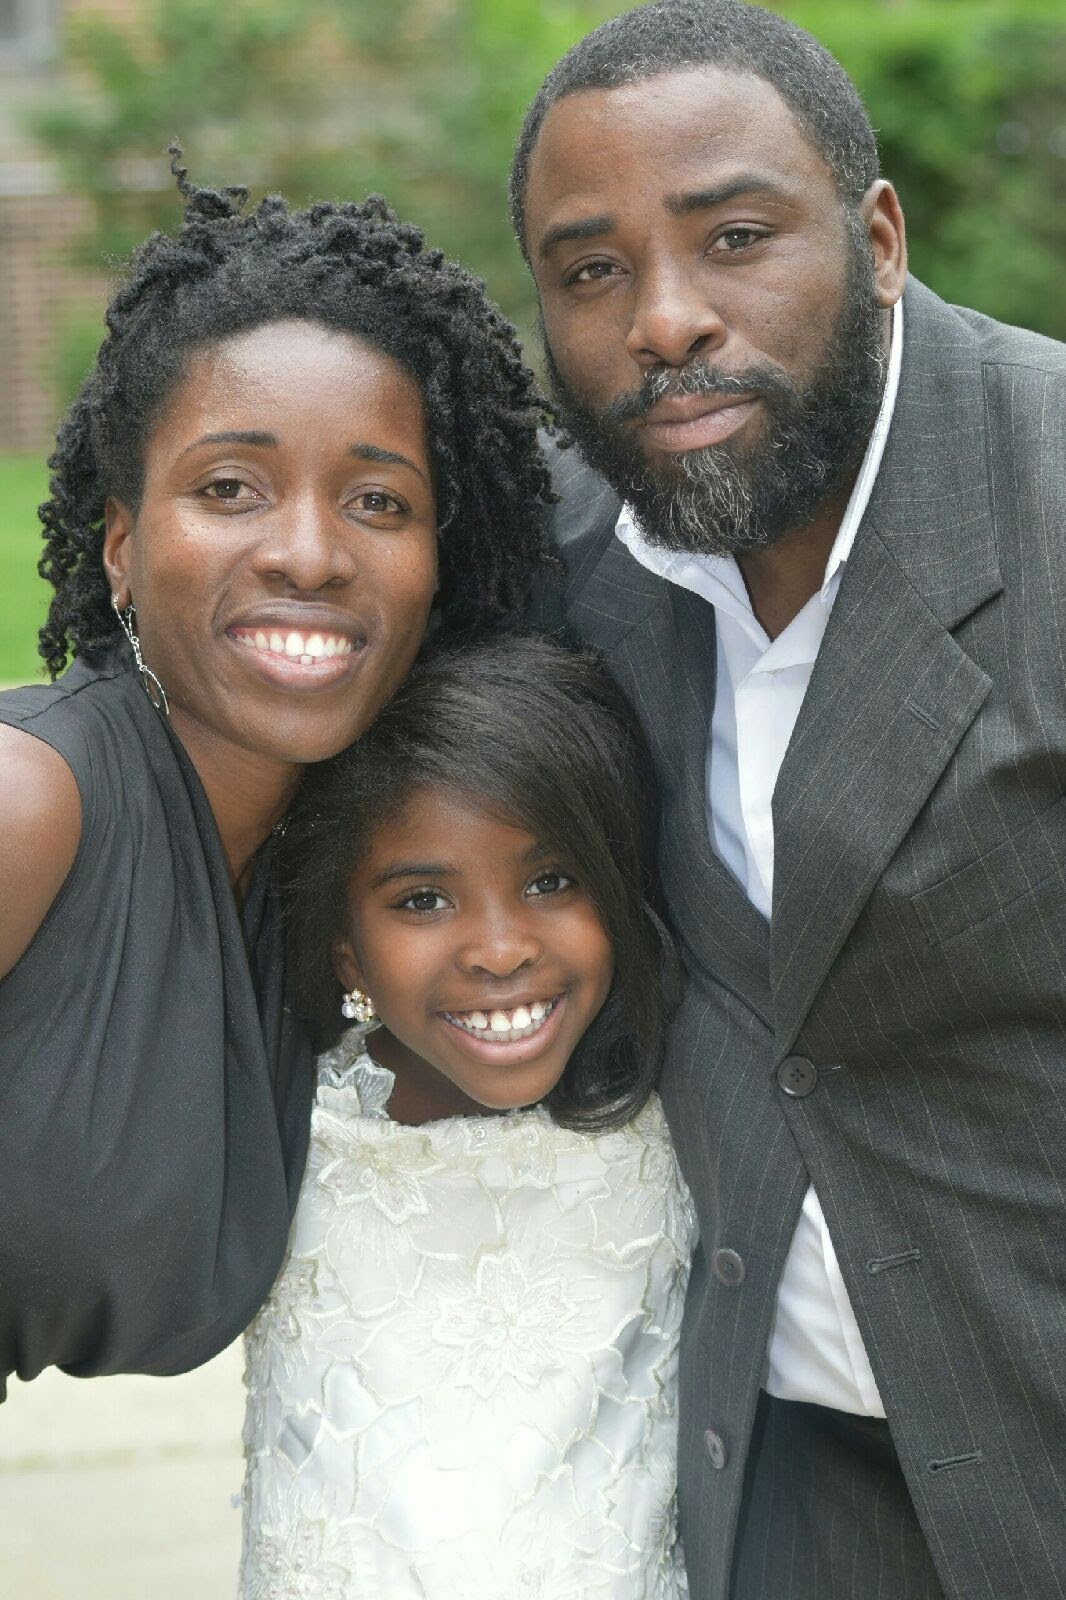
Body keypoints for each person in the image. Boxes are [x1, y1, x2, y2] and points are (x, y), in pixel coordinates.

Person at [510, 3, 1066, 1597]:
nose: (664, 320)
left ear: (876, 239)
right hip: (776, 1493)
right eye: (590, 271)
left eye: (735, 238)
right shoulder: (569, 559)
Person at [0, 155, 556, 1402]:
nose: (308, 553)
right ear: (122, 545)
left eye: (378, 500)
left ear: (439, 561)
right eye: (228, 489)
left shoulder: (328, 871)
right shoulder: (29, 803)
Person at [240, 633, 696, 1598]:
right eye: (423, 900)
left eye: (549, 882)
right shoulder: (286, 1128)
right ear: (347, 952)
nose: (499, 949)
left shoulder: (675, 1121)